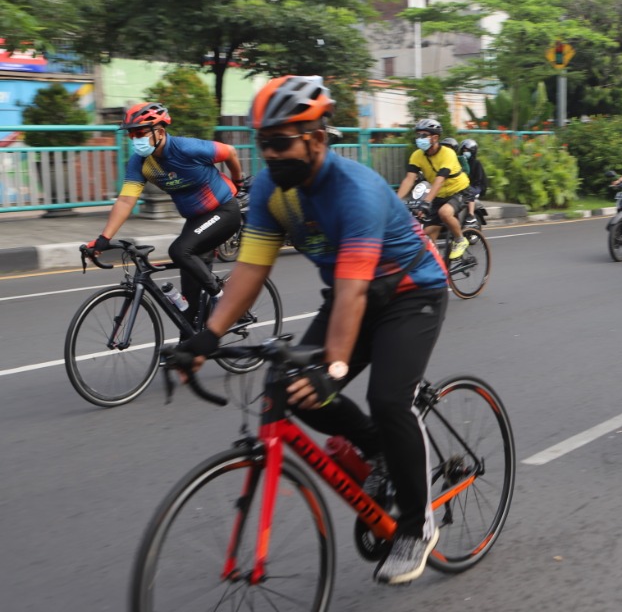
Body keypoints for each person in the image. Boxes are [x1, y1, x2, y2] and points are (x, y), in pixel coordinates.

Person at [177, 75, 451, 585]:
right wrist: (207, 336)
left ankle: (416, 525)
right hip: (354, 294)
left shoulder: (356, 191)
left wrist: (335, 368)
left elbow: (352, 292)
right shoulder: (270, 190)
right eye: (263, 144)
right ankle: (377, 452)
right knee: (291, 390)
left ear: (318, 139)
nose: (270, 156)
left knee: (389, 400)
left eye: (281, 143)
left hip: (411, 295)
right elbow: (251, 271)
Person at [87, 102, 244, 327]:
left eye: (140, 133)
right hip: (196, 221)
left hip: (223, 211)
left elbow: (230, 152)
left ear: (159, 132)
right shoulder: (141, 163)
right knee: (187, 311)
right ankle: (189, 350)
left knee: (179, 250)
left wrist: (237, 181)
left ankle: (221, 298)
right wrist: (103, 239)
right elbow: (125, 200)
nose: (135, 139)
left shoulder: (187, 148)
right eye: (131, 134)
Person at [395, 119, 471, 259]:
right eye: (418, 135)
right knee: (425, 232)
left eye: (423, 135)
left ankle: (460, 239)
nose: (419, 139)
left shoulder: (447, 153)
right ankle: (436, 266)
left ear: (435, 138)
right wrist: (395, 200)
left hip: (459, 190)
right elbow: (409, 179)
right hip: (439, 195)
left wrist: (426, 201)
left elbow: (439, 180)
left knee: (445, 213)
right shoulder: (417, 155)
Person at [459, 138, 486, 223]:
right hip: (464, 185)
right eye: (463, 150)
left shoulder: (476, 163)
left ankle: (471, 215)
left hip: (477, 186)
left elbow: (478, 179)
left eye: (467, 150)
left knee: (469, 191)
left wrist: (468, 185)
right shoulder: (461, 162)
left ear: (472, 151)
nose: (464, 152)